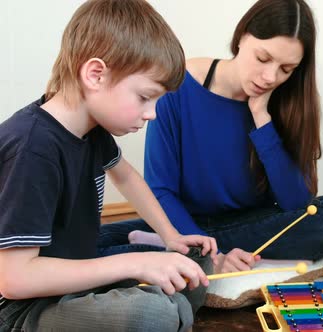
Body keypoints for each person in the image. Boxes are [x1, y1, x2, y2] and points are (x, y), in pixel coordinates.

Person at [0, 1, 218, 331]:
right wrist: (135, 262)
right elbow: (14, 280)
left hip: (76, 277)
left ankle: (170, 310)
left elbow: (126, 177)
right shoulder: (33, 148)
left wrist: (170, 236)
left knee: (191, 265)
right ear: (96, 74)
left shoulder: (92, 129)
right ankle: (169, 312)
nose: (152, 113)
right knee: (149, 314)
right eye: (145, 97)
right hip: (24, 309)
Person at [108, 0, 323, 274]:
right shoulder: (179, 85)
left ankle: (181, 252)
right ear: (242, 36)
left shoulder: (289, 100)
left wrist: (261, 118)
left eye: (286, 69)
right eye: (263, 58)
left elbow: (296, 204)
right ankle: (192, 250)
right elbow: (161, 190)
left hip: (252, 225)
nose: (269, 77)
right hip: (183, 222)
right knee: (89, 242)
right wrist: (212, 252)